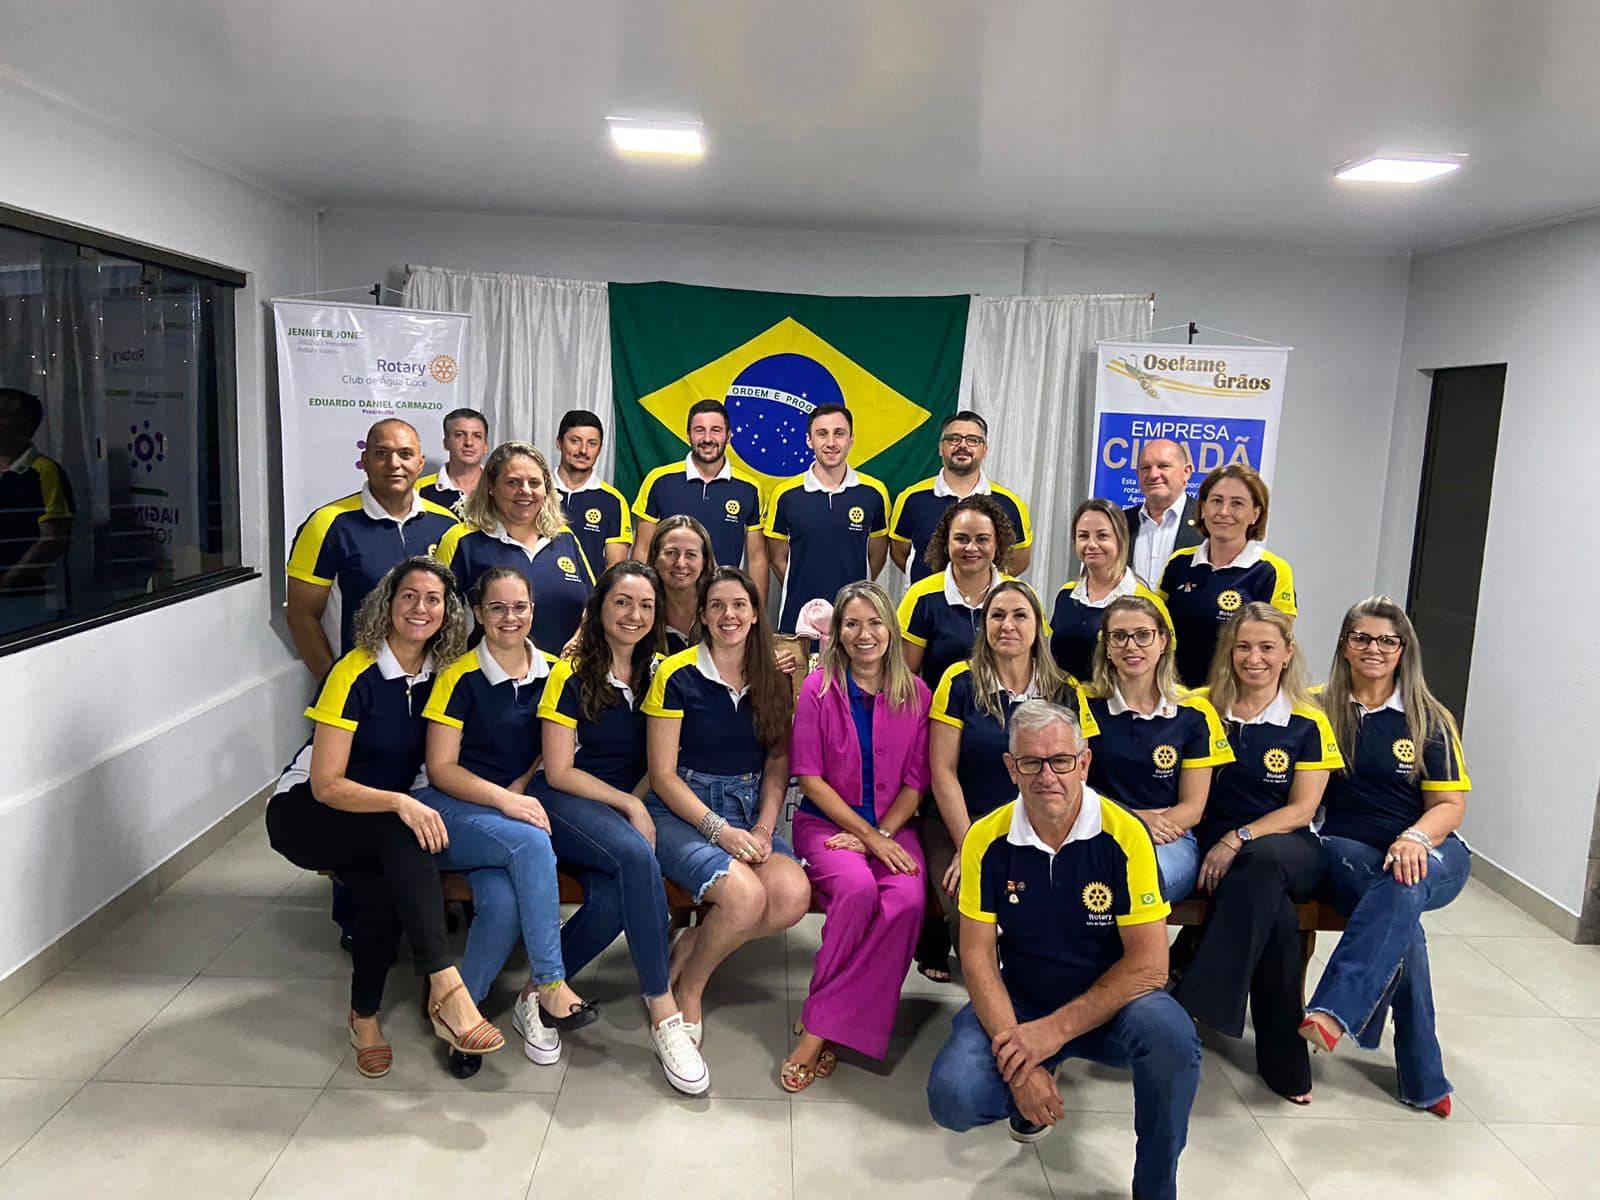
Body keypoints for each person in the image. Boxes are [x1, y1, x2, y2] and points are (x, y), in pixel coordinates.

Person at [926, 701, 1199, 1200]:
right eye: (1030, 762)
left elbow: (1149, 967)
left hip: (1114, 1006)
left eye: (1061, 761)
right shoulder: (984, 839)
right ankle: (1033, 1085)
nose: (1046, 776)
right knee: (954, 1097)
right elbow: (978, 958)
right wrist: (1023, 1065)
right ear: (1011, 768)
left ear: (1084, 763)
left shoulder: (1126, 833)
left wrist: (1050, 1034)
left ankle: (1155, 1189)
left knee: (1172, 1038)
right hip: (1024, 998)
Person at [265, 557, 505, 1077]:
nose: (421, 608)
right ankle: (448, 989)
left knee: (379, 894)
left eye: (433, 599)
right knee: (401, 831)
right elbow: (327, 785)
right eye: (409, 596)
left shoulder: (444, 674)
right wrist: (400, 802)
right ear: (387, 604)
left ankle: (364, 1017)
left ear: (448, 612)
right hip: (307, 811)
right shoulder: (354, 671)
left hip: (378, 822)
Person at [535, 561, 710, 1094]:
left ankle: (537, 993)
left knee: (613, 900)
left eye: (646, 605)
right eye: (622, 602)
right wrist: (630, 807)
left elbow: (659, 763)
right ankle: (664, 1012)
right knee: (637, 856)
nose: (634, 614)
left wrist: (636, 800)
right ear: (599, 609)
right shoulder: (570, 671)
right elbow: (559, 771)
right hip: (565, 800)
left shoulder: (660, 673)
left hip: (621, 807)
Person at [416, 566, 597, 1074]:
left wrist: (520, 785)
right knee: (532, 843)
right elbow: (441, 768)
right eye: (497, 608)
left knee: (502, 904)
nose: (510, 617)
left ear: (533, 611)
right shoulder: (458, 675)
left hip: (503, 817)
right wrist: (505, 800)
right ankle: (551, 981)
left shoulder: (554, 672)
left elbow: (552, 748)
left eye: (520, 607)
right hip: (449, 810)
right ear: (478, 613)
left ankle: (460, 1016)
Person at [1300, 597, 1471, 1118]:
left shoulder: (1429, 717)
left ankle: (1334, 1010)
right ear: (1344, 645)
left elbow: (1449, 806)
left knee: (1405, 881)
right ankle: (1423, 1075)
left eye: (1387, 640)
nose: (1373, 649)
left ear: (1403, 650)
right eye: (1361, 638)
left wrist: (1415, 838)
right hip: (1345, 848)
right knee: (1403, 916)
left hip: (1431, 846)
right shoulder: (1314, 708)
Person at [1171, 603, 1341, 1104]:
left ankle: (1200, 998)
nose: (1254, 658)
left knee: (1263, 865)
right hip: (1215, 850)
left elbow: (1303, 809)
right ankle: (1285, 1065)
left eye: (1267, 647)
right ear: (1229, 652)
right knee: (1277, 917)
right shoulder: (1200, 707)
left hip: (1288, 846)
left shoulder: (1309, 721)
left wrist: (1240, 837)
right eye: (1243, 646)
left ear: (1287, 653)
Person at [642, 566, 811, 1046]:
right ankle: (691, 988)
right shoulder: (676, 674)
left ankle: (694, 941)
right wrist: (719, 831)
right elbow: (662, 775)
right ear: (702, 615)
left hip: (748, 807)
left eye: (739, 605)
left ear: (755, 614)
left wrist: (763, 828)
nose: (728, 615)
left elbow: (777, 761)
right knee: (746, 898)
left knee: (792, 895)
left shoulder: (773, 677)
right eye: (716, 606)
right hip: (681, 810)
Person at [786, 581, 931, 1090]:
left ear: (891, 629)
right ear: (838, 632)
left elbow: (916, 782)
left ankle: (820, 1022)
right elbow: (809, 778)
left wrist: (880, 834)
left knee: (907, 901)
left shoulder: (917, 694)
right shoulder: (817, 689)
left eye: (874, 623)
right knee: (855, 890)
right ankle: (827, 1029)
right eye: (851, 624)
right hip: (827, 826)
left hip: (894, 827)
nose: (863, 634)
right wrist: (867, 836)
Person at [921, 580, 1074, 982]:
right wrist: (969, 845)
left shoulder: (1064, 690)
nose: (1008, 625)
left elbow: (1074, 774)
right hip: (961, 823)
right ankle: (996, 997)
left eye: (1020, 615)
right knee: (969, 896)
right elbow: (942, 771)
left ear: (1038, 627)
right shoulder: (959, 681)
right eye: (997, 615)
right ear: (984, 625)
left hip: (1038, 827)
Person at [1075, 595, 1233, 904]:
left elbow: (1193, 807)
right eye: (1119, 636)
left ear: (1163, 641)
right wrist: (1136, 820)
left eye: (1143, 635)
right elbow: (1074, 788)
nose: (1131, 646)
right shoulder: (1083, 701)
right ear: (1106, 646)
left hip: (1169, 837)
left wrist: (1147, 827)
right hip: (1094, 828)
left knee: (1136, 880)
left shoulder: (1193, 711)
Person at [286, 418, 457, 681]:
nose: (394, 464)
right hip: (359, 688)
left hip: (432, 688)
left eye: (405, 454)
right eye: (381, 454)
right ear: (364, 461)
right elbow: (301, 615)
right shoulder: (328, 524)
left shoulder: (447, 525)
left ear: (420, 463)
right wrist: (335, 683)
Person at [435, 441, 595, 653]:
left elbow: (596, 603)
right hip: (490, 671)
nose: (525, 491)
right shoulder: (462, 540)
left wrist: (581, 637)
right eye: (513, 482)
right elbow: (434, 613)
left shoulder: (564, 537)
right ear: (491, 486)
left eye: (534, 482)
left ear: (546, 489)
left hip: (565, 671)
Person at [1158, 464, 1296, 688]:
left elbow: (1276, 647)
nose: (1223, 511)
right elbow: (1157, 628)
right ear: (1203, 508)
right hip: (1175, 695)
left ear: (1255, 514)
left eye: (1237, 503)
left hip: (1235, 696)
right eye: (1216, 501)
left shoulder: (1272, 570)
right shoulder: (1179, 562)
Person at [765, 404, 891, 634]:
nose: (831, 442)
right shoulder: (785, 494)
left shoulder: (874, 492)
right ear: (809, 440)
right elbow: (777, 557)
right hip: (798, 618)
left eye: (839, 433)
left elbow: (876, 556)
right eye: (822, 434)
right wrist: (804, 585)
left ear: (851, 439)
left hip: (854, 621)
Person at [630, 399, 766, 595]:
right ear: (688, 435)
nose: (707, 438)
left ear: (728, 436)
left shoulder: (749, 488)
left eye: (716, 430)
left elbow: (757, 558)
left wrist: (756, 608)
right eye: (699, 430)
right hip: (666, 600)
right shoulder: (659, 480)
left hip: (721, 601)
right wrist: (639, 598)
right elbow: (643, 549)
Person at [889, 411, 1033, 581]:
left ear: (985, 449)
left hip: (986, 598)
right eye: (953, 439)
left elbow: (1020, 558)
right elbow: (899, 552)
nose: (962, 445)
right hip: (926, 597)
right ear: (941, 448)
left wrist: (983, 584)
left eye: (973, 440)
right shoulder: (912, 498)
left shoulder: (1010, 503)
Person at [897, 494, 1017, 690]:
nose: (971, 547)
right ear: (947, 542)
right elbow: (904, 679)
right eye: (961, 539)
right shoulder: (920, 596)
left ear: (998, 543)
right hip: (939, 708)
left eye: (982, 539)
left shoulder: (1020, 596)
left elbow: (1036, 667)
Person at [1050, 498, 1173, 682]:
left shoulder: (1147, 603)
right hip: (1064, 698)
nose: (1091, 544)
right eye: (1083, 536)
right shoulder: (1066, 595)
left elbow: (1163, 673)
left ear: (1121, 539)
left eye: (1102, 536)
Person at [0, 387, 74, 632]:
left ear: (24, 423)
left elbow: (52, 540)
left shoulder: (44, 471)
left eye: (2, 414)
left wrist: (6, 582)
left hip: (27, 603)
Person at [553, 409, 633, 572]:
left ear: (600, 449)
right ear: (559, 443)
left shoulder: (613, 500)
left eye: (592, 443)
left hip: (590, 589)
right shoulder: (536, 492)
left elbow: (615, 570)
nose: (583, 450)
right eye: (575, 441)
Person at [1124, 438, 1201, 586]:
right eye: (1145, 468)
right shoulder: (1120, 522)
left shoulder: (1207, 520)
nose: (1153, 474)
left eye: (1163, 466)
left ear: (1186, 472)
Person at [647, 514, 715, 655]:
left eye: (691, 554)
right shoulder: (641, 610)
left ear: (704, 561)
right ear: (655, 558)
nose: (680, 563)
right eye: (671, 553)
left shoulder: (723, 608)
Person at [418, 407, 489, 512]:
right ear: (446, 443)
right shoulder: (418, 490)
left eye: (477, 436)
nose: (469, 442)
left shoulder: (500, 487)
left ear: (486, 446)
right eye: (459, 435)